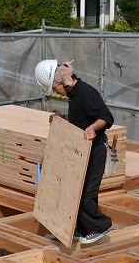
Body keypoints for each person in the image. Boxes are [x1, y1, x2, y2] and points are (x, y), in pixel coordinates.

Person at [35, 59, 113, 245]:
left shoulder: (85, 93)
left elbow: (106, 117)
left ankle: (100, 226)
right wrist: (63, 119)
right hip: (83, 152)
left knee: (85, 194)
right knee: (73, 192)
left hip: (95, 152)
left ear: (62, 82)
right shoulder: (74, 95)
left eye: (54, 88)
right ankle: (78, 229)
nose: (55, 92)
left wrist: (93, 128)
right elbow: (81, 119)